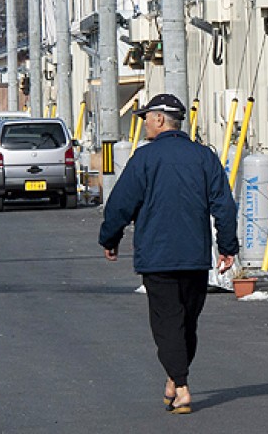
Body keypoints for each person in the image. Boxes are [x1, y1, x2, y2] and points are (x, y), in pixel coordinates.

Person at [99, 93, 238, 415]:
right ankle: (173, 382)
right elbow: (224, 205)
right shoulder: (204, 157)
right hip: (195, 256)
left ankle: (183, 387)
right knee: (186, 322)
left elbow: (121, 204)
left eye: (146, 117)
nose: (144, 123)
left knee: (167, 324)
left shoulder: (144, 159)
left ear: (160, 119)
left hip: (157, 255)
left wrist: (110, 238)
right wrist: (228, 246)